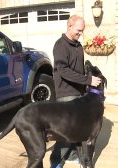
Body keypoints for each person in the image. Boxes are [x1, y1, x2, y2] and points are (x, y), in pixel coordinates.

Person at [50, 15, 102, 168]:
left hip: (79, 93)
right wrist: (88, 80)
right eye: (78, 30)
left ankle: (72, 155)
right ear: (70, 26)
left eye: (82, 31)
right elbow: (63, 71)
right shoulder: (60, 45)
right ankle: (56, 160)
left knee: (77, 128)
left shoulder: (78, 46)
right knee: (66, 130)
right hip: (66, 93)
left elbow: (78, 70)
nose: (80, 33)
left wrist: (85, 85)